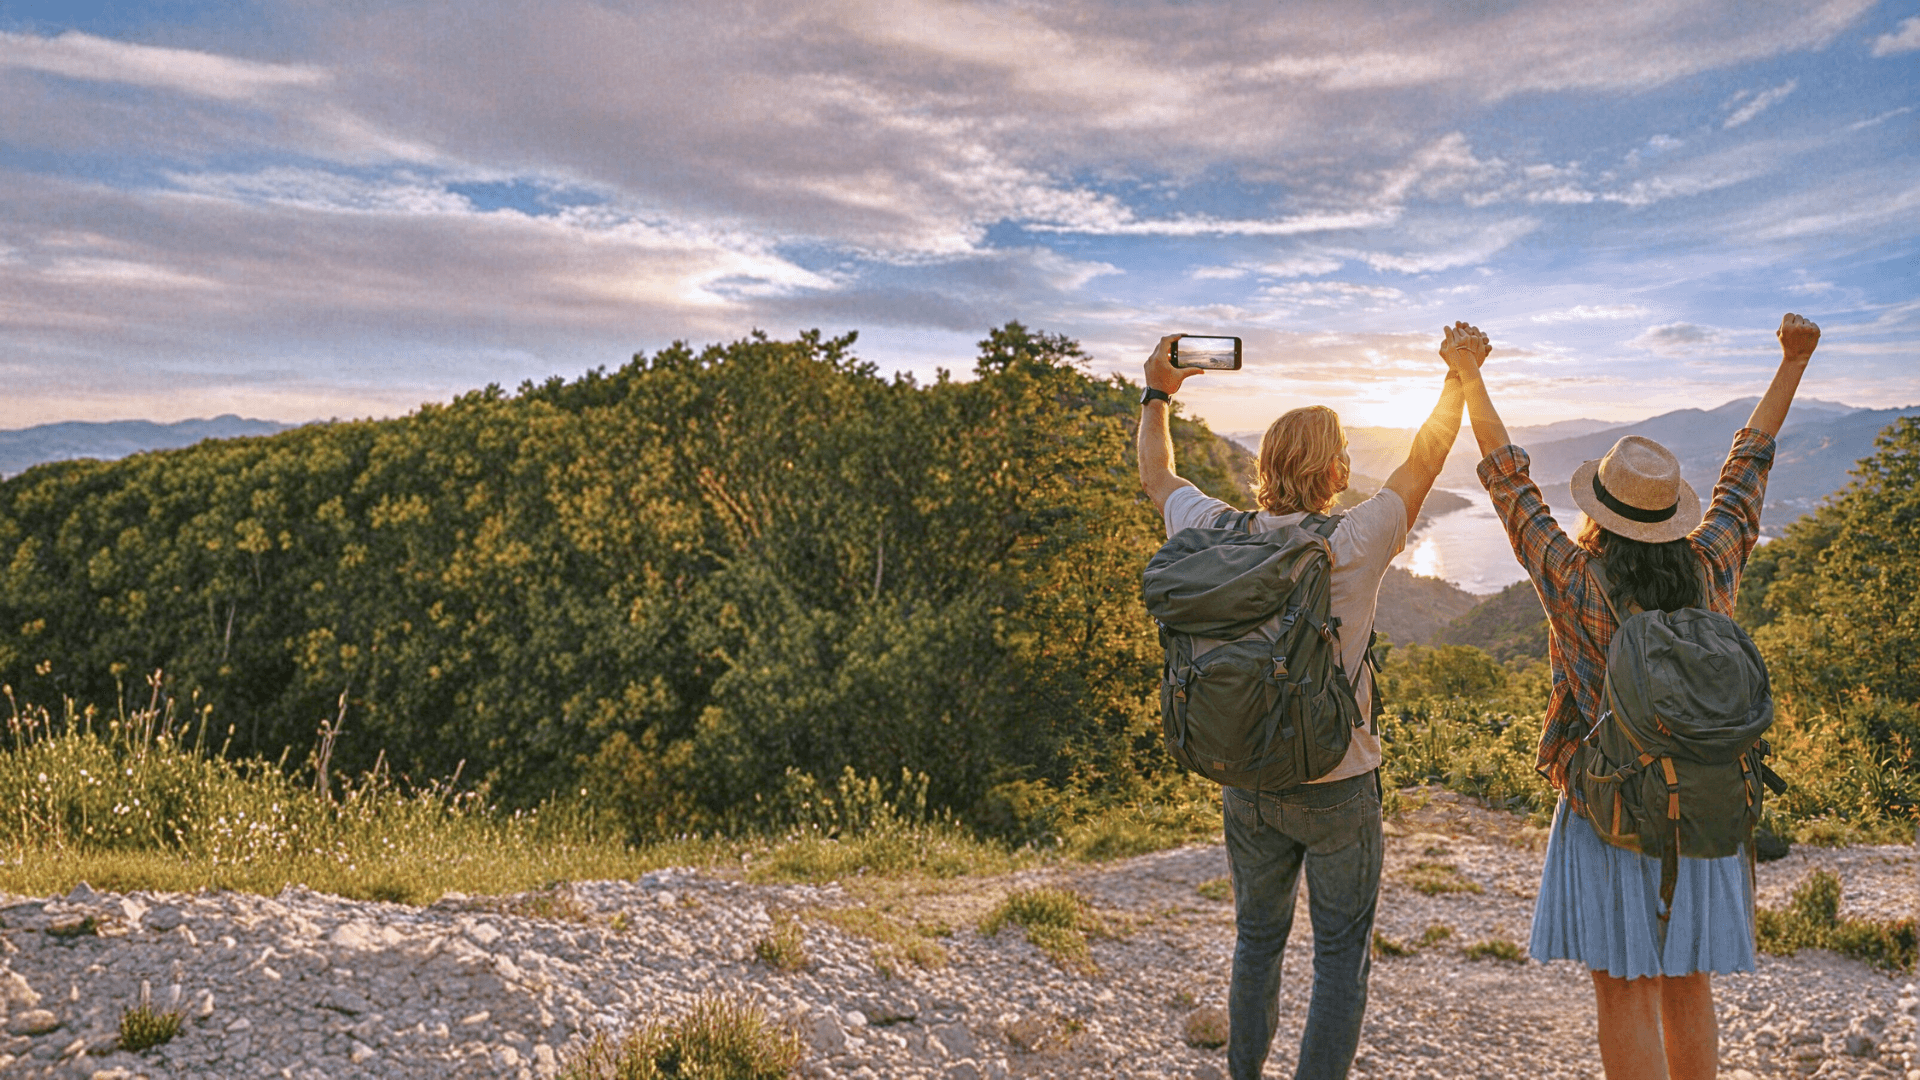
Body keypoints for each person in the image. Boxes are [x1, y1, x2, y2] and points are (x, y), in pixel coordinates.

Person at [1445, 313, 1822, 1080]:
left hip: (1609, 811)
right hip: (1705, 808)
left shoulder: (1577, 581)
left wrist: (1470, 374)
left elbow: (1509, 484)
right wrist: (1793, 361)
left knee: (1624, 993)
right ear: (1669, 514)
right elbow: (1747, 472)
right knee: (1688, 988)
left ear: (1603, 512)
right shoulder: (1714, 563)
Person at [1137, 327, 1475, 1080]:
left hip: (1245, 777)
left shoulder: (1213, 531)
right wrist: (1457, 377)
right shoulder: (1351, 540)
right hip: (1337, 780)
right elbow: (1424, 461)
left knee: (1256, 940)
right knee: (1338, 958)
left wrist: (1159, 391)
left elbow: (1159, 476)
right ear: (1335, 469)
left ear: (1262, 470)